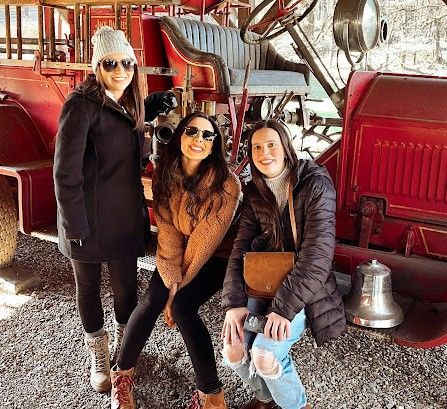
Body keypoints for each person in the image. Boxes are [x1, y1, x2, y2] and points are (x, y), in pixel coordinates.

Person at [53, 26, 175, 393]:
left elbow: (125, 122)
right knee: (88, 289)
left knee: (126, 289)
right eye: (110, 64)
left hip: (123, 216)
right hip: (86, 219)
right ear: (96, 67)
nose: (119, 70)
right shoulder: (79, 105)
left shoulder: (131, 99)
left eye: (127, 62)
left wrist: (156, 104)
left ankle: (126, 350)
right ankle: (98, 355)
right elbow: (64, 172)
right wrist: (74, 225)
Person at [110, 112, 241, 409]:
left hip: (218, 255)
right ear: (181, 135)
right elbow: (168, 233)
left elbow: (205, 242)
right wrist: (170, 283)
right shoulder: (166, 175)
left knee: (181, 306)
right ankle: (122, 374)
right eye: (192, 132)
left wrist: (176, 292)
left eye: (208, 136)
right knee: (150, 301)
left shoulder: (227, 184)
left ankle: (211, 395)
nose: (199, 140)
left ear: (214, 146)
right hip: (180, 251)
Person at [221, 120, 346, 409]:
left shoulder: (315, 184)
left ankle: (297, 406)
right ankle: (266, 399)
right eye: (256, 147)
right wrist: (234, 302)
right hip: (264, 281)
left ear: (286, 147)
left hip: (305, 287)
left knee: (266, 356)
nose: (264, 153)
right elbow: (240, 247)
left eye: (271, 144)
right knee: (233, 350)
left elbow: (317, 256)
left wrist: (282, 310)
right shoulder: (255, 191)